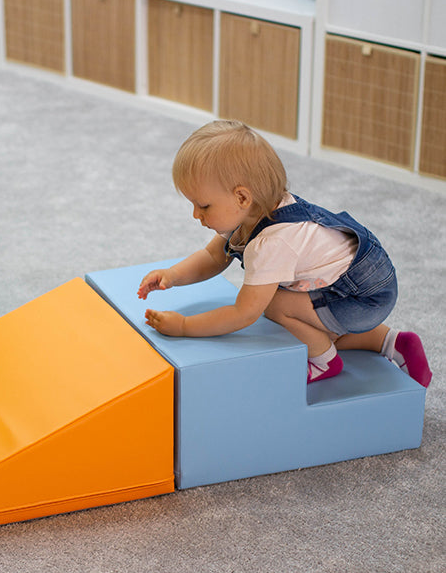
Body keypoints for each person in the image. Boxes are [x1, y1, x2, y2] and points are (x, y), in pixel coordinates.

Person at [137, 120, 432, 386]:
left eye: (203, 206)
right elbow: (214, 257)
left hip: (362, 295)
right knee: (304, 324)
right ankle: (394, 342)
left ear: (241, 197)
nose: (195, 215)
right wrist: (172, 275)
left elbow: (243, 314)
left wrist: (185, 326)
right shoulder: (249, 213)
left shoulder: (272, 243)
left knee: (275, 306)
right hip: (354, 282)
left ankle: (324, 361)